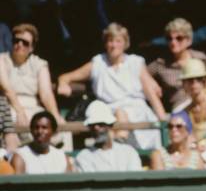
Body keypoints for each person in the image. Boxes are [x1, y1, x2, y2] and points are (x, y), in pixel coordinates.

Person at [57, 23, 166, 150]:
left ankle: (120, 146)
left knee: (122, 114)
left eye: (118, 41)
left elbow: (151, 94)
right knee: (115, 115)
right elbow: (65, 77)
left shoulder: (135, 62)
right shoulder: (98, 63)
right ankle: (118, 147)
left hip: (136, 112)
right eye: (110, 41)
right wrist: (63, 84)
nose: (114, 45)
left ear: (125, 43)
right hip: (108, 111)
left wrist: (163, 120)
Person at [0, 24, 64, 154]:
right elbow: (6, 88)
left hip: (33, 106)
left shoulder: (39, 63)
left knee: (59, 126)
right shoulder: (2, 59)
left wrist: (55, 115)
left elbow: (46, 93)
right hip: (9, 107)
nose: (19, 45)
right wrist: (19, 110)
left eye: (25, 42)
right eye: (16, 41)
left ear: (32, 47)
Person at [147, 18, 206, 111]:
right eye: (169, 38)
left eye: (179, 38)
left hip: (202, 104)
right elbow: (141, 74)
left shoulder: (200, 57)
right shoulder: (160, 64)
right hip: (180, 109)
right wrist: (150, 81)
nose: (173, 42)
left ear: (189, 40)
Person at [74, 101, 142, 173]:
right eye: (92, 125)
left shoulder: (129, 153)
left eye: (100, 124)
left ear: (110, 125)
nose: (96, 128)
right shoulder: (83, 157)